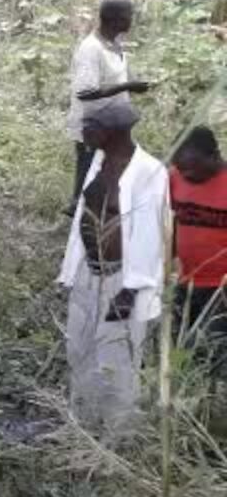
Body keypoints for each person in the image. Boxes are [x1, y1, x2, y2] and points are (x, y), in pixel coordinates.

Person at [58, 99, 167, 437]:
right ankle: (83, 427)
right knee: (79, 350)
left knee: (117, 361)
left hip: (122, 279)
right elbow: (84, 218)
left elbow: (151, 234)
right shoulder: (98, 162)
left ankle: (118, 437)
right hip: (87, 273)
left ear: (113, 132)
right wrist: (71, 269)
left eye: (91, 126)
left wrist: (131, 290)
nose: (84, 131)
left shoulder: (150, 171)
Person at [66, 0, 154, 212]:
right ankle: (79, 213)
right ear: (116, 19)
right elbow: (85, 92)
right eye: (129, 15)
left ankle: (87, 211)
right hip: (93, 125)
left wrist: (131, 84)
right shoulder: (91, 48)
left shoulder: (113, 43)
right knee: (88, 172)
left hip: (113, 124)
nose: (132, 19)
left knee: (105, 171)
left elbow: (114, 77)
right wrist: (127, 87)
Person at [170, 126, 227, 369]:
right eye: (181, 169)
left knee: (210, 355)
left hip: (220, 289)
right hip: (185, 282)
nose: (185, 175)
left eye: (191, 169)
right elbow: (169, 221)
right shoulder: (175, 176)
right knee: (178, 350)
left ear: (214, 157)